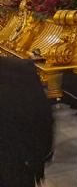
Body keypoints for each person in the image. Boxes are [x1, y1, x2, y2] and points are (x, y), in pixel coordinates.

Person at [0, 57, 53, 186]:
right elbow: (41, 119)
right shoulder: (19, 69)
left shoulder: (20, 69)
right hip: (16, 167)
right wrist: (38, 161)